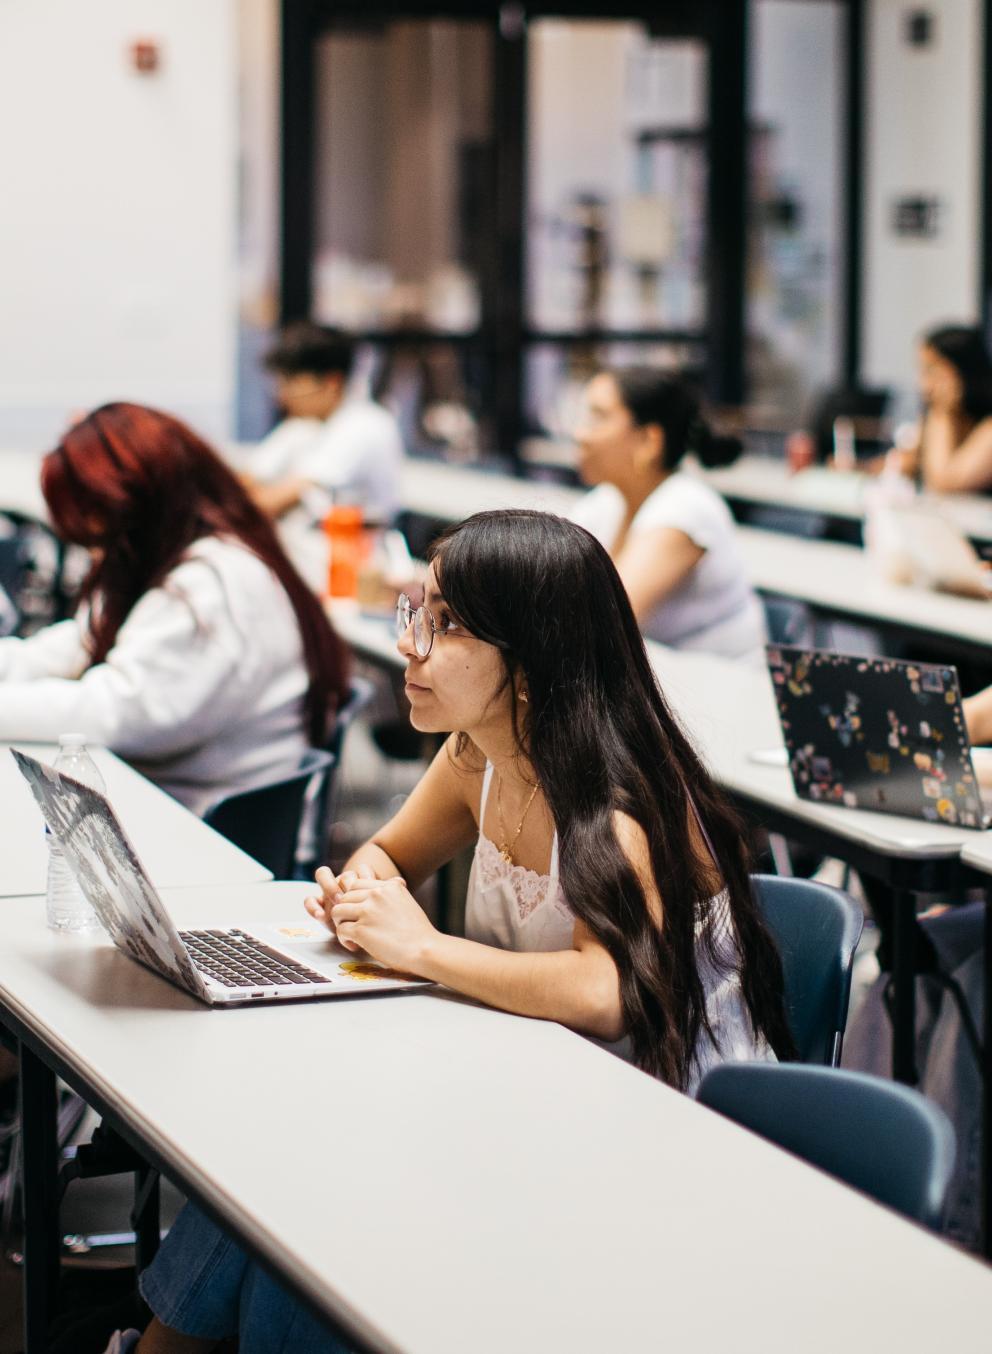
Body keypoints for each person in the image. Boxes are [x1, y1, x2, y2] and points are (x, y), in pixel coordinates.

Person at [118, 509, 794, 1354]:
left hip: (651, 1136)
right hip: (528, 1077)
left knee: (311, 1195)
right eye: (417, 613)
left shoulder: (616, 805)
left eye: (445, 627)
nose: (410, 645)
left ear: (530, 660)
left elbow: (608, 994)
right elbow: (385, 856)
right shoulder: (477, 753)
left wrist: (421, 947)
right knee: (281, 1180)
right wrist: (363, 896)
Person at [0, 402, 350, 814]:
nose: (97, 552)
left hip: (210, 833)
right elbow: (73, 644)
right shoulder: (178, 559)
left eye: (101, 531)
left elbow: (115, 714)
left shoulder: (212, 585)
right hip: (176, 806)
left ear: (138, 507)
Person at [569, 367, 767, 661]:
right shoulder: (606, 502)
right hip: (661, 681)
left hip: (722, 690)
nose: (580, 434)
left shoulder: (686, 509)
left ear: (649, 440)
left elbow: (602, 625)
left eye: (598, 417)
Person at [243, 321, 405, 523]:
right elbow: (245, 481)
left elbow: (272, 503)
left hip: (355, 550)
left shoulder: (364, 423)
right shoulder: (302, 425)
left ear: (331, 383)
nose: (281, 396)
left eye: (291, 383)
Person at [897, 324, 992, 494]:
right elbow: (909, 461)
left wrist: (943, 413)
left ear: (963, 371)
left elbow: (943, 483)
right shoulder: (934, 417)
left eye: (932, 371)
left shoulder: (987, 427)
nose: (923, 385)